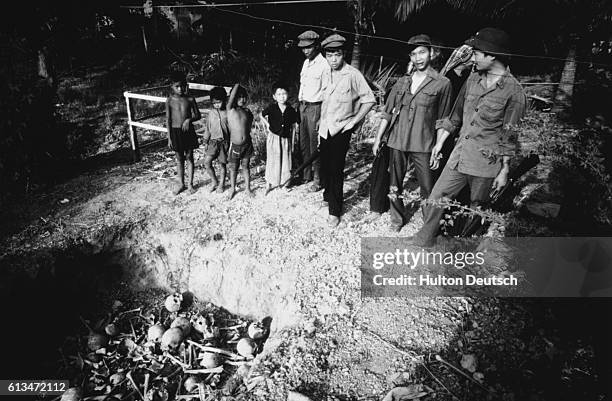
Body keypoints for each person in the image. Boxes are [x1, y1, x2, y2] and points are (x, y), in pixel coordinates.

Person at [413, 27, 527, 247]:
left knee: (475, 211)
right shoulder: (472, 79)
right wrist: (439, 143)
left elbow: (509, 136)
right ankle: (423, 239)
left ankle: (463, 251)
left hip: (485, 165)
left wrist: (504, 170)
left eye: (476, 53)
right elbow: (455, 117)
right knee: (436, 198)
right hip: (459, 156)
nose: (472, 57)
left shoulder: (514, 92)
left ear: (492, 55)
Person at [371, 34, 453, 232]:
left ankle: (429, 225)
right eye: (414, 54)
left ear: (431, 53)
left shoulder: (442, 83)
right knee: (394, 184)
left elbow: (444, 119)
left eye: (422, 52)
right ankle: (397, 220)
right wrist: (378, 138)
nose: (418, 58)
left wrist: (438, 145)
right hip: (397, 140)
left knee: (428, 186)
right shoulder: (401, 83)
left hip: (423, 143)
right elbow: (388, 113)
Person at [318, 34, 376, 227]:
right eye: (329, 55)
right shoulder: (326, 72)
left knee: (335, 170)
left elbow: (369, 100)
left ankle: (335, 211)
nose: (333, 59)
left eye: (337, 55)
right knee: (325, 166)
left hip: (341, 129)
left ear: (344, 54)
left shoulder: (353, 74)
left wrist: (354, 122)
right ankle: (328, 196)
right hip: (325, 128)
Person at [297, 30, 329, 191]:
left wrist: (321, 117)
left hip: (316, 107)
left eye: (309, 47)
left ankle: (317, 180)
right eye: (303, 48)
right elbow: (303, 86)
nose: (306, 51)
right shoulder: (306, 63)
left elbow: (326, 93)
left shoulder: (324, 65)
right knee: (303, 143)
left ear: (317, 46)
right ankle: (306, 175)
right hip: (303, 106)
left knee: (315, 145)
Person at [165, 70, 201, 195]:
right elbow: (168, 120)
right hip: (175, 132)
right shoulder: (169, 100)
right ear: (172, 87)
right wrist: (169, 138)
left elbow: (198, 115)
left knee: (189, 157)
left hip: (188, 131)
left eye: (182, 86)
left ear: (186, 85)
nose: (180, 89)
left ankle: (190, 184)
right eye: (177, 86)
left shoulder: (190, 99)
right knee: (179, 158)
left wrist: (189, 120)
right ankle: (181, 183)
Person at [261, 83, 299, 195]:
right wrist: (267, 125)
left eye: (284, 94)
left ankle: (284, 183)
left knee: (285, 160)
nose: (282, 96)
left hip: (285, 139)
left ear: (288, 95)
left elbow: (293, 125)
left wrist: (292, 141)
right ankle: (269, 182)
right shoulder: (272, 108)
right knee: (273, 159)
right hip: (274, 138)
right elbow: (261, 115)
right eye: (279, 94)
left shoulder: (291, 110)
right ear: (274, 96)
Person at [226, 83, 254, 199]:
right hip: (236, 146)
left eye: (243, 97)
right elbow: (231, 97)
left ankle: (247, 188)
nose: (242, 100)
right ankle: (232, 188)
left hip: (247, 145)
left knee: (246, 166)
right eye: (239, 97)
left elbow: (249, 124)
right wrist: (237, 85)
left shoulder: (247, 111)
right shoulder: (231, 110)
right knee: (234, 168)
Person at [199, 86, 229, 193]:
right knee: (207, 162)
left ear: (224, 100)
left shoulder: (228, 112)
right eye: (214, 103)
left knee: (222, 164)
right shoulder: (211, 113)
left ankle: (221, 184)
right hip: (212, 142)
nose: (217, 104)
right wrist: (205, 142)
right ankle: (214, 181)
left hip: (224, 142)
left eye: (219, 102)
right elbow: (208, 128)